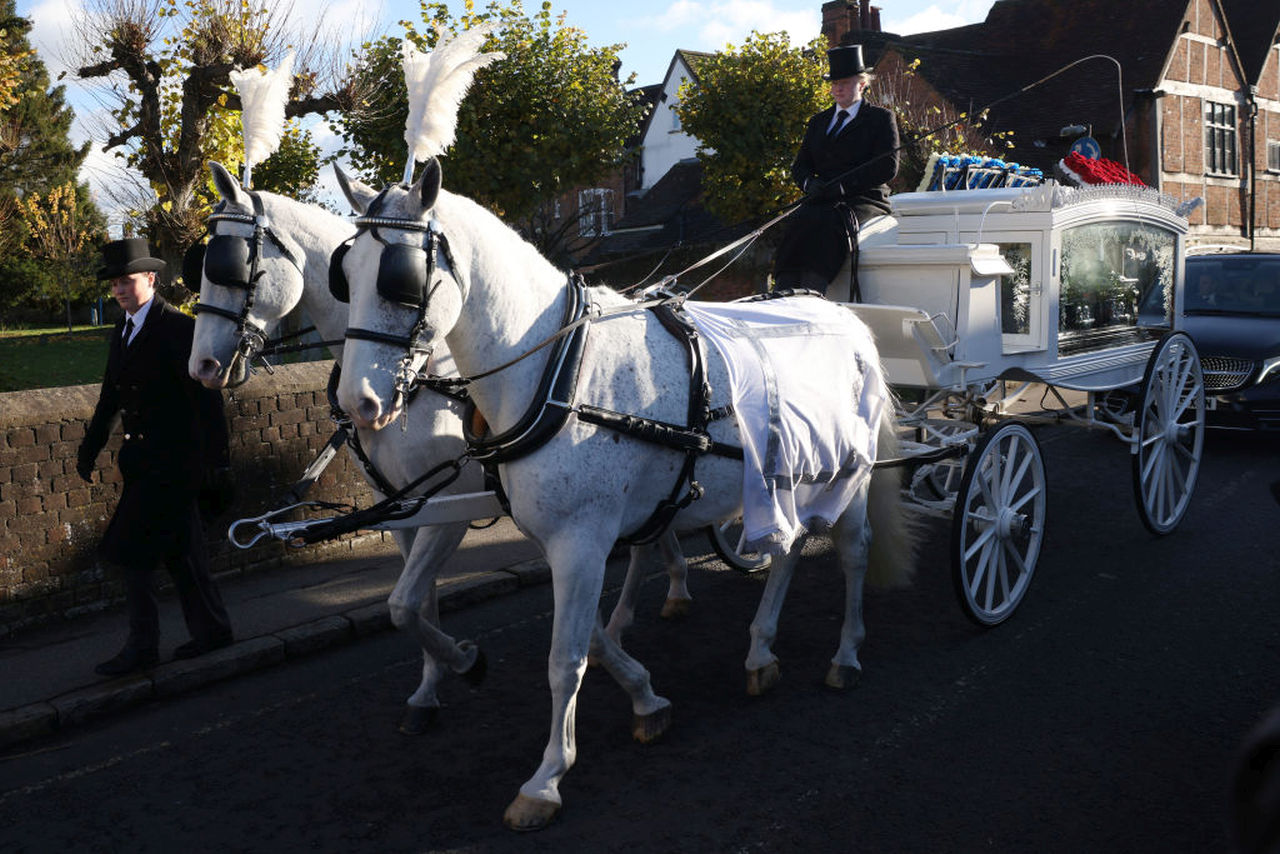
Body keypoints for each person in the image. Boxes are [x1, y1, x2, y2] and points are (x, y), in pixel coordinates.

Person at [77, 237, 235, 676]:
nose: (120, 291)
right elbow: (112, 395)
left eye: (127, 282)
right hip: (144, 464)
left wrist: (218, 462)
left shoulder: (179, 329)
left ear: (151, 278)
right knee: (183, 553)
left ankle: (143, 647)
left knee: (131, 554)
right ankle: (213, 631)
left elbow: (208, 401)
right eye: (114, 285)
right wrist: (89, 449)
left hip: (176, 465)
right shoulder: (123, 330)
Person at [772, 40, 899, 295]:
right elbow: (801, 165)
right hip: (821, 197)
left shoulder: (880, 119)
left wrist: (842, 187)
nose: (838, 88)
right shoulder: (819, 122)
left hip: (863, 198)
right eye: (834, 83)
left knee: (831, 223)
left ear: (862, 84)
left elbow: (887, 166)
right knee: (797, 221)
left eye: (844, 83)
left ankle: (812, 290)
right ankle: (782, 291)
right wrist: (810, 184)